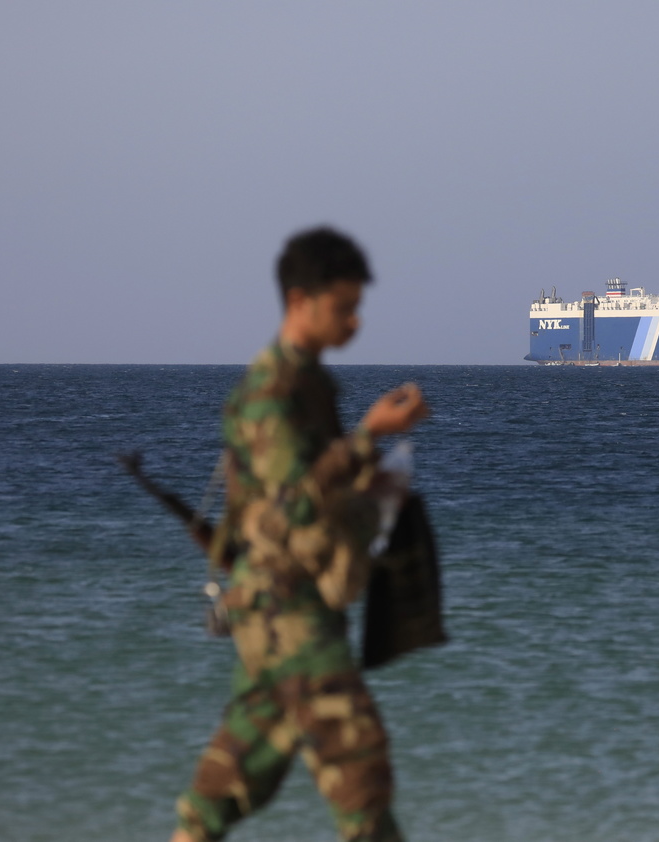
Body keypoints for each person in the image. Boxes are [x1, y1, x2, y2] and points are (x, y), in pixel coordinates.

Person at [171, 226, 429, 842]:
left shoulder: (308, 384)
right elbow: (292, 508)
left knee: (227, 787)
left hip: (284, 606)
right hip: (287, 609)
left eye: (357, 307)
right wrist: (368, 437)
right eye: (343, 308)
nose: (355, 322)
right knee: (359, 771)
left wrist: (371, 476)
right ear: (299, 302)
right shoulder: (273, 394)